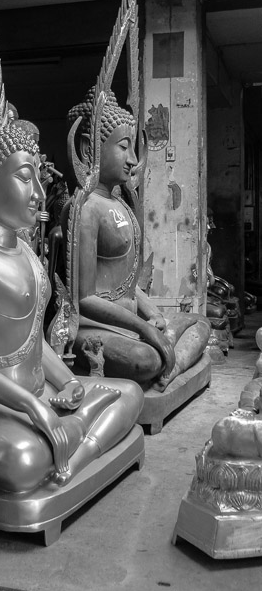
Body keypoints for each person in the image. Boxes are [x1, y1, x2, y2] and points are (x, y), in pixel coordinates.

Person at [0, 122, 143, 493]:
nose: (39, 193)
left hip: (44, 392)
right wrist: (33, 407)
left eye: (38, 178)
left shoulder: (27, 253)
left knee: (131, 393)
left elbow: (35, 340)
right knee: (21, 461)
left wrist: (68, 381)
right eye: (26, 178)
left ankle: (72, 456)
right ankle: (74, 440)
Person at [66, 87, 210, 390]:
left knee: (201, 322)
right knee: (145, 360)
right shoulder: (85, 208)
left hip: (131, 323)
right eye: (123, 147)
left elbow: (129, 286)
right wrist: (145, 328)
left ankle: (171, 363)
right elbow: (84, 298)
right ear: (89, 148)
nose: (132, 159)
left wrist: (153, 315)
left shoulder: (119, 204)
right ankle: (167, 361)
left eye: (133, 148)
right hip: (96, 327)